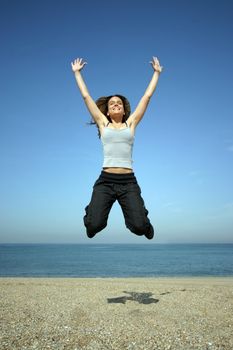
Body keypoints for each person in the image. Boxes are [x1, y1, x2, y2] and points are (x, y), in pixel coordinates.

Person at [71, 56, 163, 239]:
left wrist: (156, 73)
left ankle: (144, 222)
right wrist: (77, 73)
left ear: (123, 109)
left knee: (139, 228)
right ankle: (91, 214)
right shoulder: (102, 123)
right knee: (94, 226)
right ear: (106, 110)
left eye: (119, 103)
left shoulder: (131, 124)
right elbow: (86, 96)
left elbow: (147, 97)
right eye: (112, 103)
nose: (115, 104)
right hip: (105, 181)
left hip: (128, 182)